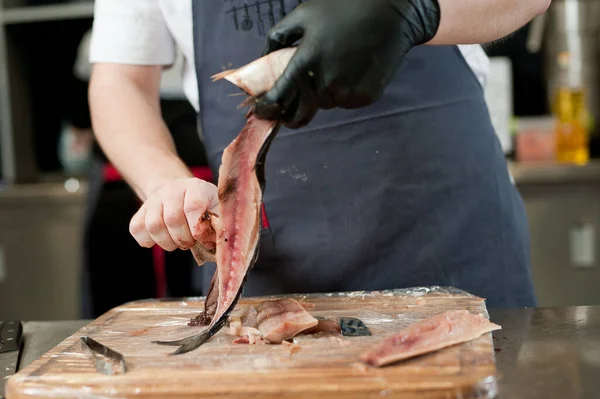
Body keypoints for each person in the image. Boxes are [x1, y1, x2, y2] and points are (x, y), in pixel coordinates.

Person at [88, 0, 551, 309]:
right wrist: (165, 184)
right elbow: (120, 81)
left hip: (456, 247)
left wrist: (414, 8)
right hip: (279, 284)